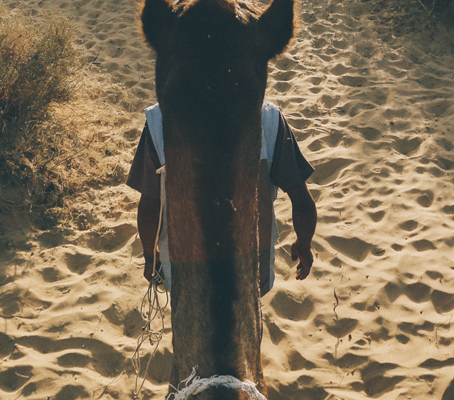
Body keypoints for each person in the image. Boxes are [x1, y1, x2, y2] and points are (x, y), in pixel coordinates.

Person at [126, 100, 317, 296]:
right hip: (251, 268)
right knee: (247, 320)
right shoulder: (268, 119)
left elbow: (150, 206)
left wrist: (150, 256)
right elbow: (302, 201)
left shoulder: (160, 121)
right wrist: (304, 244)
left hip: (183, 269)